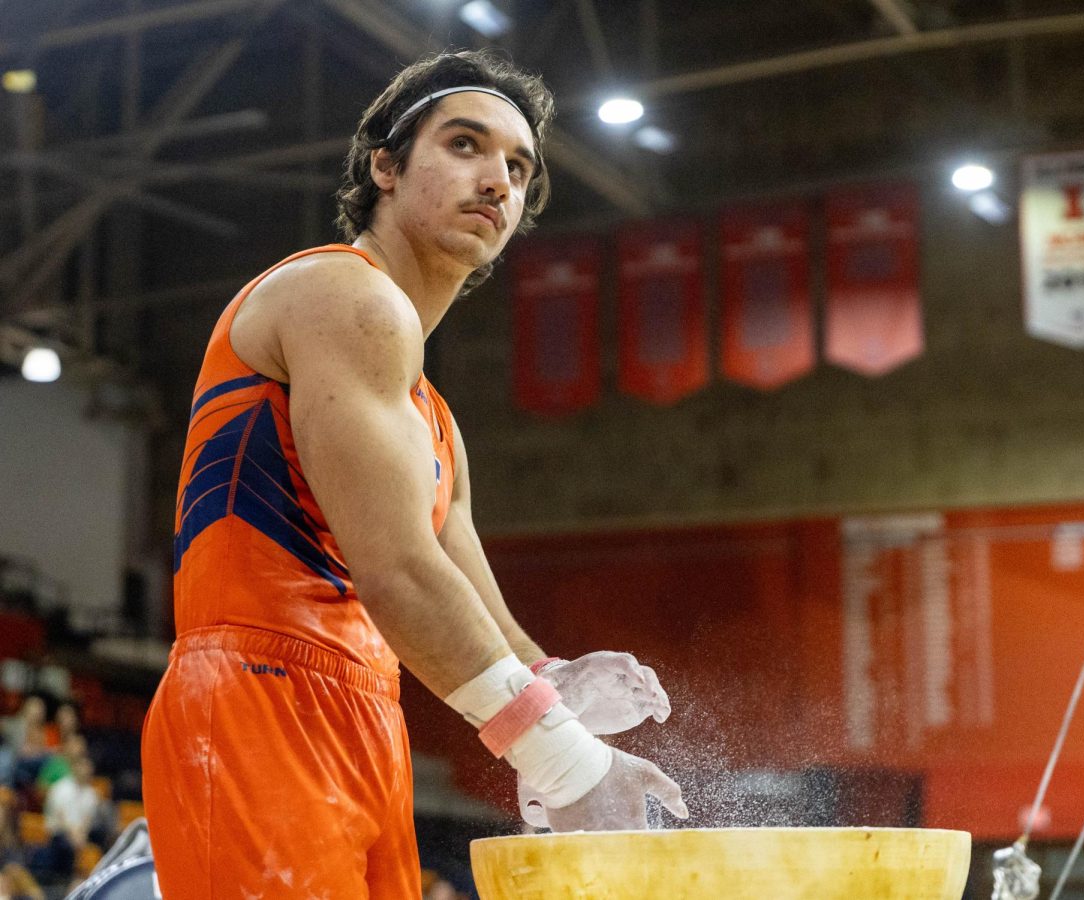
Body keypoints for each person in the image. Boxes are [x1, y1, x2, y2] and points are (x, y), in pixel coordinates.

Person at [141, 49, 686, 900]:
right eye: (466, 145)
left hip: (367, 711)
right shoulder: (339, 294)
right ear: (384, 166)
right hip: (255, 698)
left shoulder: (435, 416)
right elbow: (398, 572)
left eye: (518, 167)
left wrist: (555, 681)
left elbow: (468, 601)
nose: (497, 180)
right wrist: (567, 763)